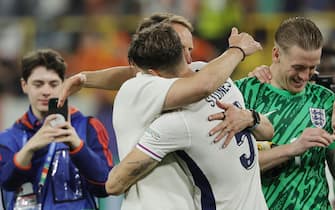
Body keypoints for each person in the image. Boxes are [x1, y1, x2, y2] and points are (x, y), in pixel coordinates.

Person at [104, 22, 273, 209]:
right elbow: (269, 131)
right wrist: (251, 117)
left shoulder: (173, 124)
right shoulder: (221, 77)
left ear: (153, 74)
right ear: (185, 54)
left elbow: (114, 184)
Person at [227, 17, 335, 209]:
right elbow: (229, 166)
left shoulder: (326, 100)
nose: (305, 76)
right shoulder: (243, 94)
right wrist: (293, 148)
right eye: (298, 67)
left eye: (312, 67)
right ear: (276, 54)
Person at [0, 49, 114, 210]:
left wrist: (77, 146)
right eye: (38, 84)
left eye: (53, 84)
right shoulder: (8, 138)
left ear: (64, 85)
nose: (46, 91)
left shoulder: (88, 127)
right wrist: (29, 148)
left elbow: (106, 186)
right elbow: (7, 183)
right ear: (24, 85)